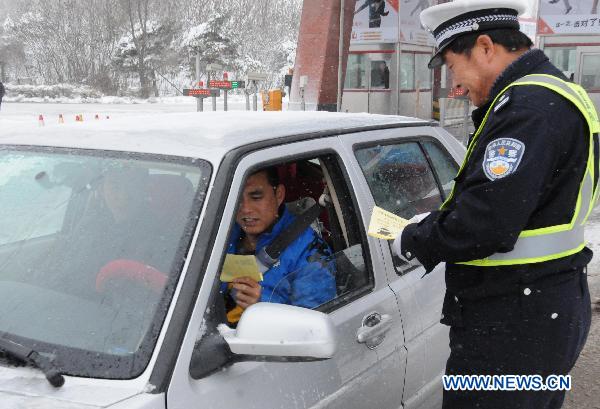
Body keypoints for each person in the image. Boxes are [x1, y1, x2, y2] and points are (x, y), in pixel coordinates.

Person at [393, 1, 595, 408]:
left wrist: (414, 237)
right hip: (540, 305)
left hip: (513, 323)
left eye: (452, 67)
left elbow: (486, 222)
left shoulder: (527, 108)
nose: (455, 86)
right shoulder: (552, 94)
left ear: (485, 47)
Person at [222, 167, 336, 323]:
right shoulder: (220, 233)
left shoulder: (310, 250)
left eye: (256, 197)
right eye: (237, 198)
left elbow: (312, 325)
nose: (246, 208)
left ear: (279, 195)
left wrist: (263, 304)